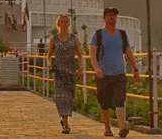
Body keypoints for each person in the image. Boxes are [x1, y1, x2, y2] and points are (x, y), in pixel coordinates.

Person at [89, 7, 140, 138]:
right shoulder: (98, 34)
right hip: (103, 74)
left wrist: (135, 69)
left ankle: (122, 128)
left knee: (120, 100)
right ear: (104, 18)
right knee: (104, 102)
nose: (112, 17)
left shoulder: (122, 34)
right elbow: (92, 53)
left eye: (114, 15)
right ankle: (107, 128)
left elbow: (128, 52)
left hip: (119, 73)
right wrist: (96, 68)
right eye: (109, 15)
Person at [46, 15, 83, 134]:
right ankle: (66, 124)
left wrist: (80, 67)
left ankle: (64, 119)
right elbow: (49, 55)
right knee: (62, 97)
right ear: (59, 24)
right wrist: (49, 63)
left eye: (66, 22)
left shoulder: (74, 38)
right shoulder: (54, 39)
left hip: (71, 71)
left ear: (69, 24)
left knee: (70, 97)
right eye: (62, 22)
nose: (64, 24)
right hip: (59, 71)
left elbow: (80, 55)